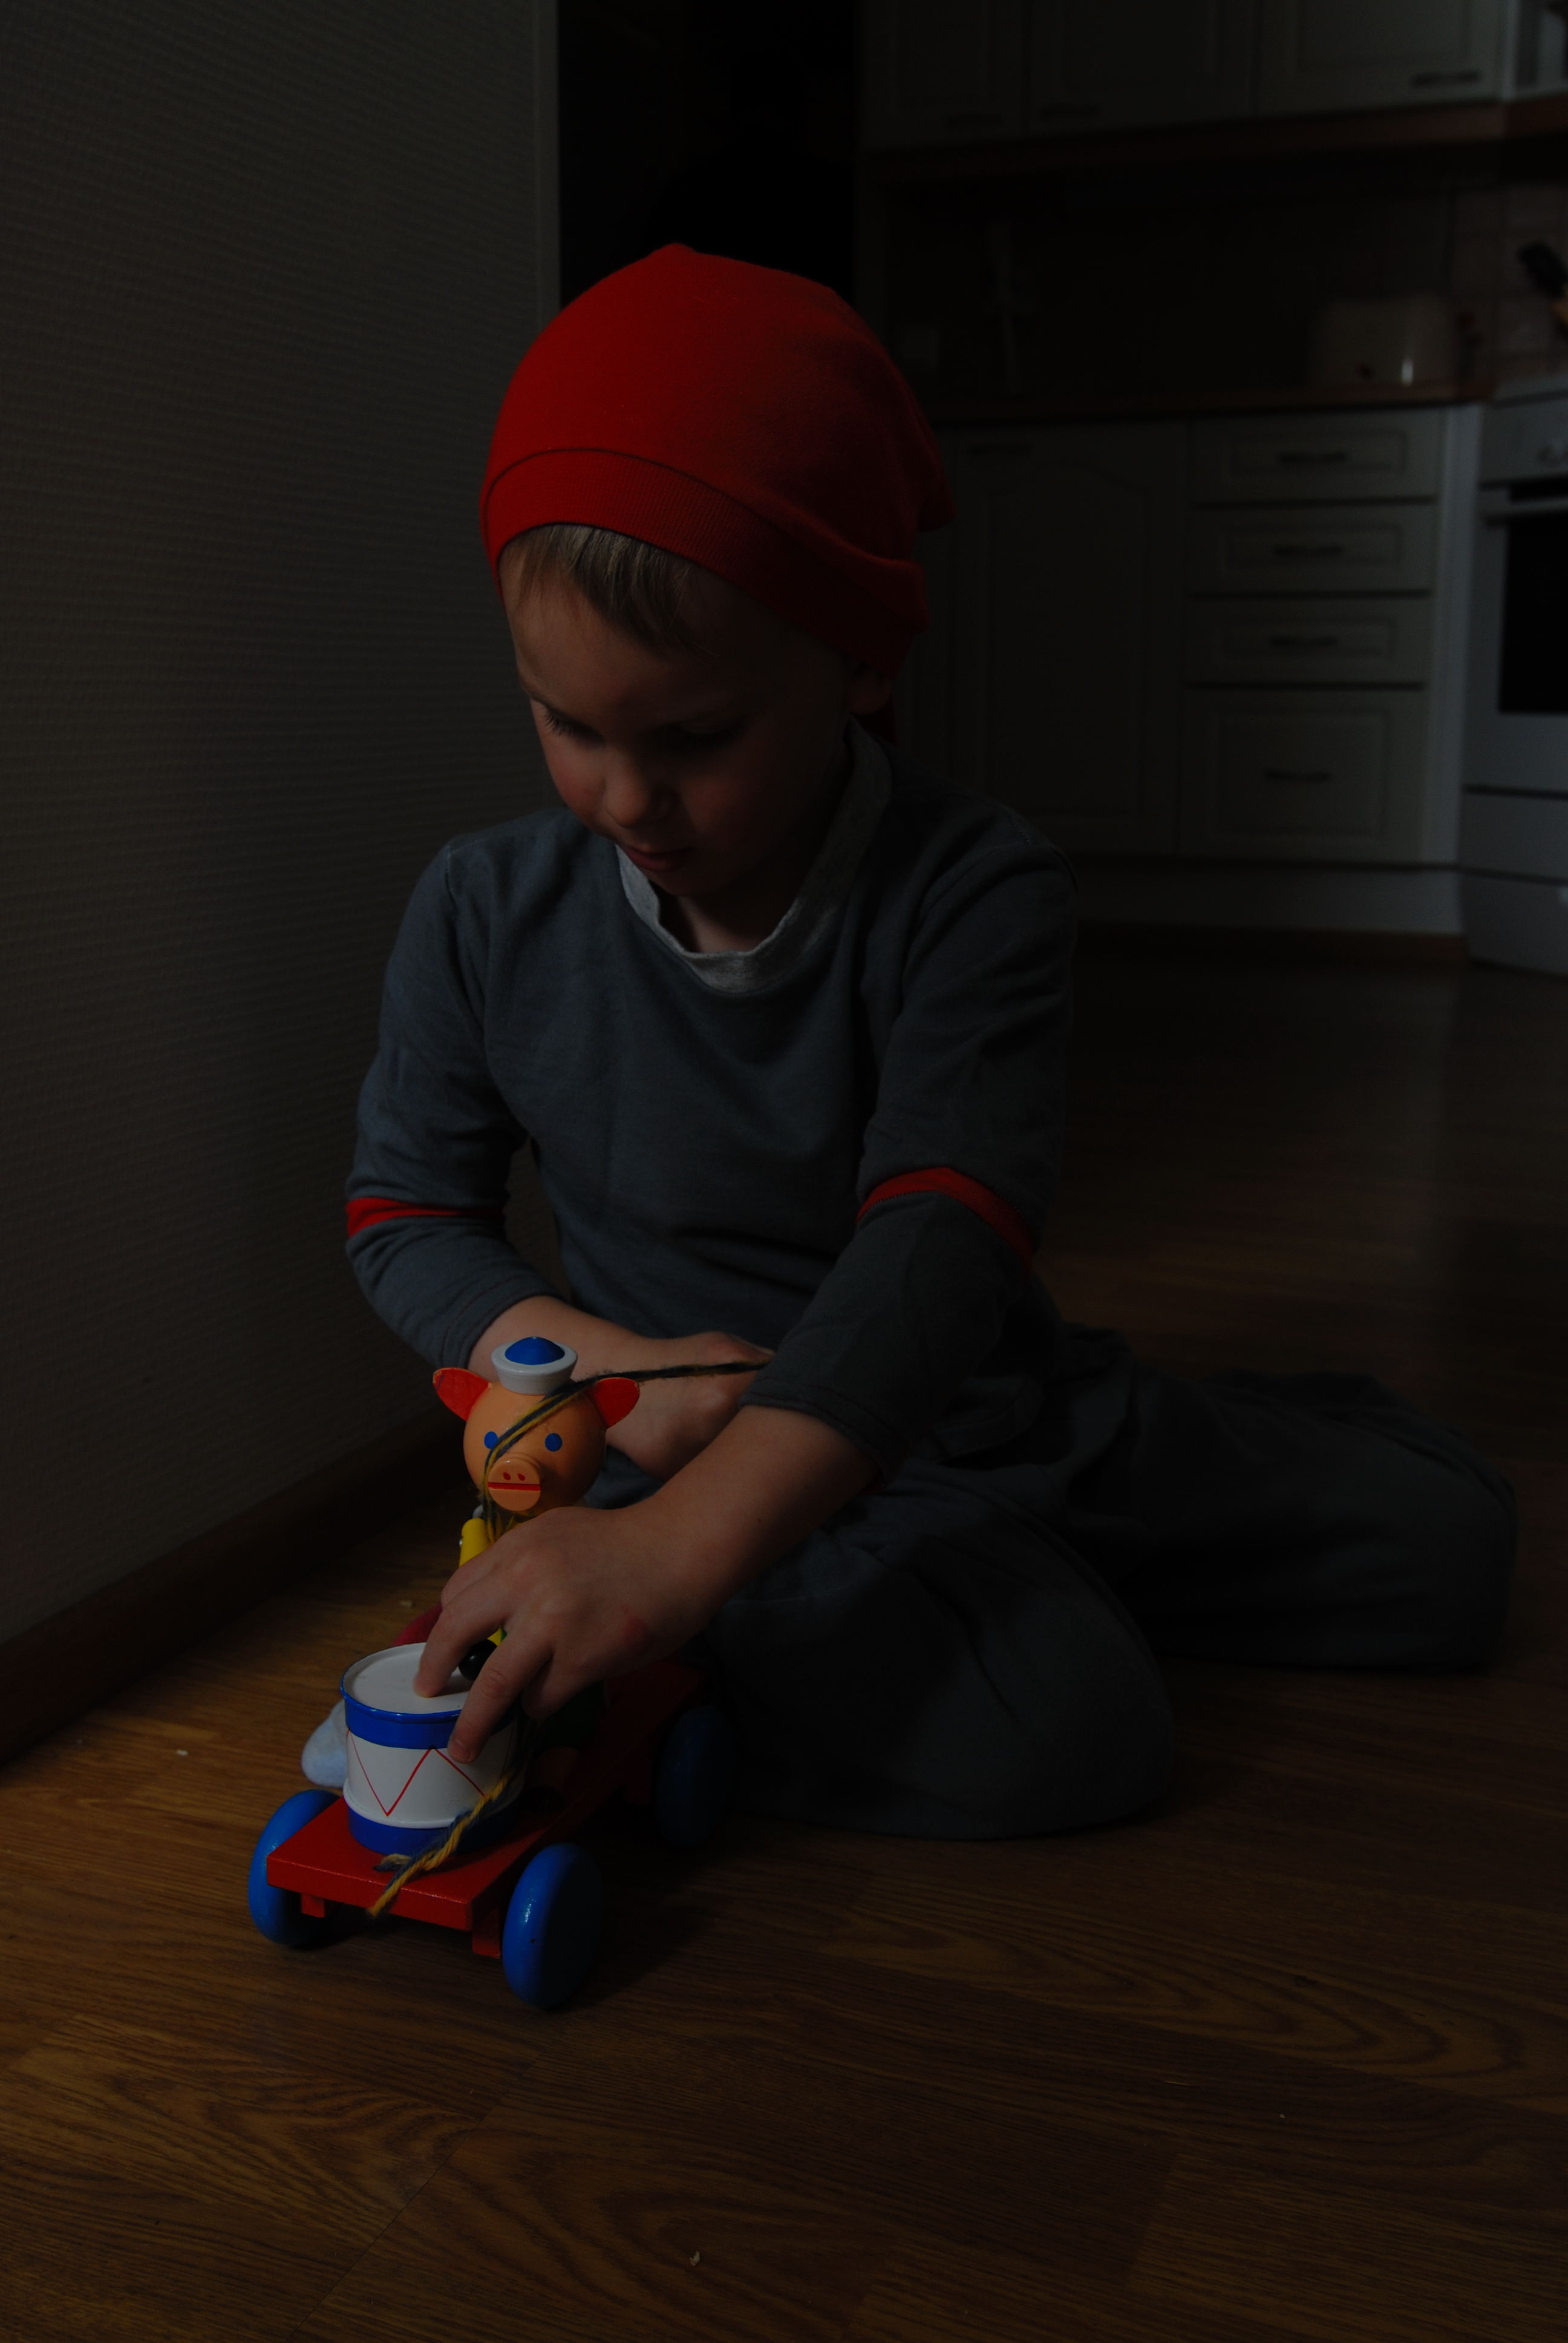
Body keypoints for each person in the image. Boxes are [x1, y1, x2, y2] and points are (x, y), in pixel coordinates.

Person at [339, 246, 1514, 1840]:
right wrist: (618, 1398)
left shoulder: (977, 887)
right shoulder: (483, 911)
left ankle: (1020, 1554)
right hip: (708, 1472)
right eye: (567, 724)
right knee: (1073, 1735)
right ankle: (700, 1679)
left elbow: (943, 1241)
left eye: (695, 736)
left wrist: (696, 1549)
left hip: (985, 1401)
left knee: (1456, 1547)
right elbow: (406, 1214)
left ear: (865, 657)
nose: (624, 797)